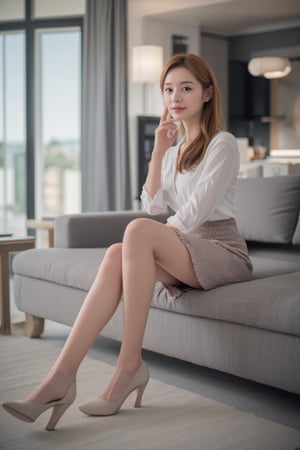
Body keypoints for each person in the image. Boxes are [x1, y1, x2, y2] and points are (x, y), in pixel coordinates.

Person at [2, 53, 253, 431]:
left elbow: (195, 213)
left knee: (135, 232)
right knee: (118, 251)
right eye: (169, 89)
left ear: (206, 93)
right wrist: (158, 152)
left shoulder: (223, 144)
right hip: (184, 246)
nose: (175, 97)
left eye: (186, 88)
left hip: (221, 250)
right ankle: (60, 379)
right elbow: (152, 204)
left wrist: (153, 235)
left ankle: (128, 366)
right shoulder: (175, 152)